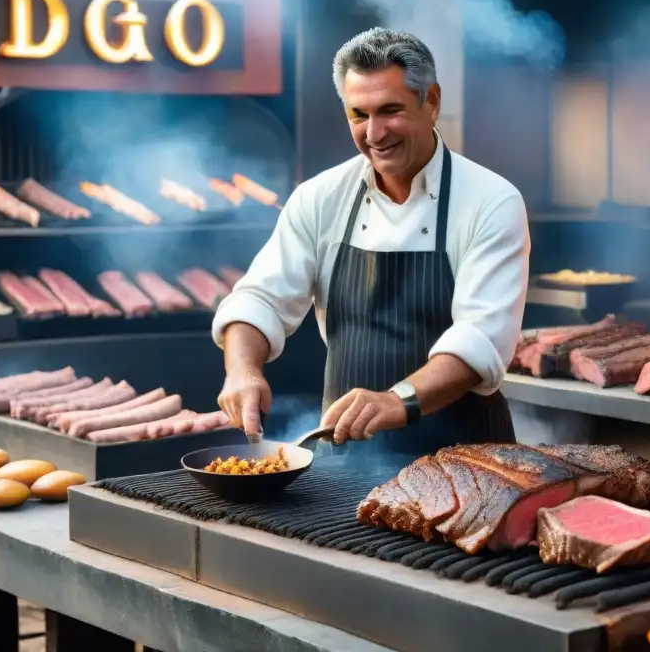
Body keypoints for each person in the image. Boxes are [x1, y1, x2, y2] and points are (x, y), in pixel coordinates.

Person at [212, 27, 530, 457]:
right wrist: (243, 370)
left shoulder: (491, 201)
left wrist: (394, 401)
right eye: (359, 115)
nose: (375, 134)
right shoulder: (320, 197)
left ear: (431, 102)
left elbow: (481, 340)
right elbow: (260, 300)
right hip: (345, 458)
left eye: (390, 111)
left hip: (468, 461)